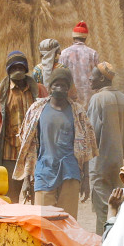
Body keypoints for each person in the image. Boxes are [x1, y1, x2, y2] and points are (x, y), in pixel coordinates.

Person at [15, 67, 98, 219]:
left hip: (70, 173)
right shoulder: (36, 110)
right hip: (44, 172)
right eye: (56, 84)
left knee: (67, 224)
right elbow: (29, 147)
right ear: (50, 86)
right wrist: (27, 179)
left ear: (68, 88)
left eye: (64, 85)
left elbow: (86, 148)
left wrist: (86, 180)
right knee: (44, 225)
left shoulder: (78, 112)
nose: (59, 88)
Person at [0, 52, 47, 203]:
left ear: (26, 69)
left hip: (34, 155)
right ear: (8, 70)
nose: (17, 70)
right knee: (9, 201)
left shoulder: (39, 90)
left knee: (37, 200)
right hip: (8, 155)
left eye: (20, 67)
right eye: (14, 68)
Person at [87, 62, 124, 234]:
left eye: (92, 76)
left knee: (103, 212)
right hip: (118, 165)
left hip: (99, 165)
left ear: (101, 78)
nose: (89, 78)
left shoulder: (97, 99)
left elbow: (91, 135)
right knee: (116, 208)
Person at [60, 21, 99, 103]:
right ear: (85, 38)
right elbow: (97, 74)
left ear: (73, 37)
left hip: (70, 95)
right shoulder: (92, 53)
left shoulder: (64, 53)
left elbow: (61, 73)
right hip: (89, 95)